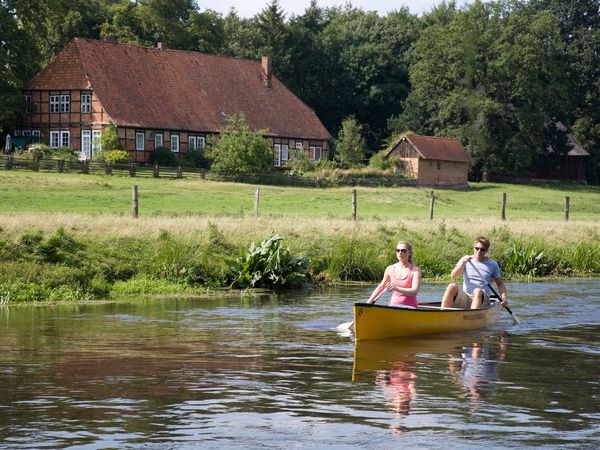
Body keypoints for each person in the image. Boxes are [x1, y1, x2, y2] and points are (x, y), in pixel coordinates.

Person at [441, 236, 508, 309]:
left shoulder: (493, 264)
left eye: (482, 249)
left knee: (477, 291)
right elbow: (453, 276)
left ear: (486, 251)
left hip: (483, 299)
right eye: (477, 248)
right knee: (452, 286)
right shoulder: (465, 260)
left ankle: (472, 316)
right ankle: (443, 312)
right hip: (466, 297)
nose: (479, 251)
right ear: (474, 248)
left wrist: (504, 298)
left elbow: (500, 284)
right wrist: (462, 263)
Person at [367, 241, 421, 308]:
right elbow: (381, 287)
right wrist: (368, 303)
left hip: (410, 307)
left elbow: (414, 291)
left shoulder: (415, 270)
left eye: (403, 251)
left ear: (409, 253)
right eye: (398, 250)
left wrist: (396, 288)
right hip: (393, 305)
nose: (400, 252)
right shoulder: (390, 269)